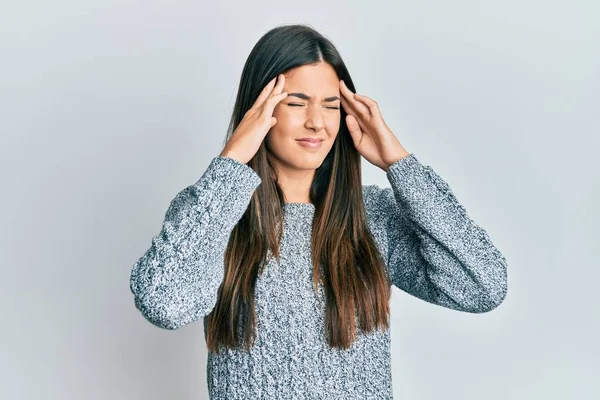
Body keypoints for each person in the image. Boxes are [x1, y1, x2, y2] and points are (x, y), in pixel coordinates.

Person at [129, 23, 508, 399]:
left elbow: (483, 285)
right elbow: (165, 301)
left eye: (331, 106)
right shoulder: (216, 213)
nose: (317, 121)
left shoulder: (370, 217)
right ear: (258, 110)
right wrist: (232, 161)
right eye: (296, 103)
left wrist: (400, 164)